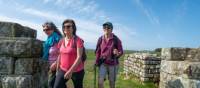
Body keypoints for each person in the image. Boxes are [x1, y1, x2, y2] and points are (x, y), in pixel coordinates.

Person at [53, 19, 85, 88]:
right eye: (64, 27)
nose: (65, 28)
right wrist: (57, 70)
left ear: (73, 28)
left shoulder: (78, 40)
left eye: (68, 26)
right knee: (57, 86)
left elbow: (79, 57)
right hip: (63, 69)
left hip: (77, 71)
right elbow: (60, 55)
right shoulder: (61, 41)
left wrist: (70, 71)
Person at [95, 22, 123, 88]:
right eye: (104, 27)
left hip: (113, 64)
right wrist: (96, 61)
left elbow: (121, 51)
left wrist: (117, 53)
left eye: (108, 27)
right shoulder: (100, 39)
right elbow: (98, 51)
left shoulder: (116, 39)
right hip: (103, 63)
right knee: (100, 82)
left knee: (112, 82)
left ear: (112, 29)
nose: (106, 29)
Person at [42, 21, 62, 88]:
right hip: (51, 65)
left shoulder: (57, 38)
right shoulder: (49, 38)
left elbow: (62, 53)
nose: (45, 31)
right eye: (44, 30)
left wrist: (56, 64)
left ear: (52, 29)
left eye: (47, 29)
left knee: (51, 84)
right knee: (58, 84)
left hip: (58, 66)